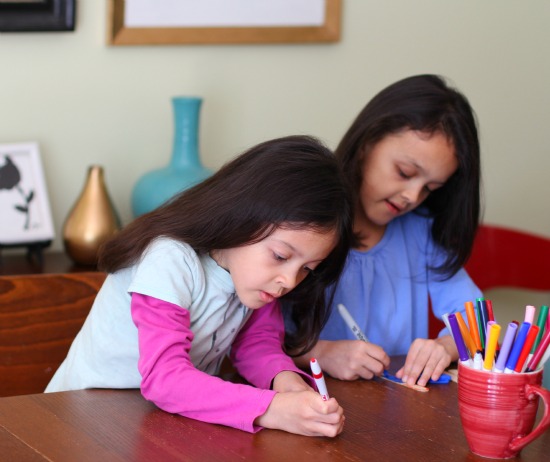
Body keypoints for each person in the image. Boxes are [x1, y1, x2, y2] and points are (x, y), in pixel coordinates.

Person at [46, 135, 353, 437]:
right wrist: (272, 409)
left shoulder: (254, 277)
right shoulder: (169, 259)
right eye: (281, 255)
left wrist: (287, 383)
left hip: (157, 420)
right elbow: (166, 380)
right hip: (81, 421)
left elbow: (257, 344)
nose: (289, 280)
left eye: (307, 269)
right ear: (242, 215)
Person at [291, 75, 483, 388]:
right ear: (367, 143)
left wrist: (447, 347)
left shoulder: (422, 233)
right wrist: (320, 353)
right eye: (405, 173)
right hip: (308, 406)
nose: (412, 196)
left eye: (430, 188)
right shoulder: (302, 222)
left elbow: (479, 322)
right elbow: (253, 339)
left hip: (394, 414)